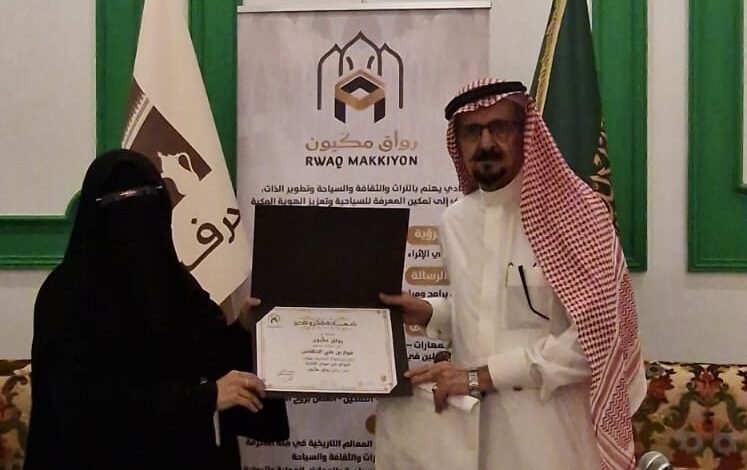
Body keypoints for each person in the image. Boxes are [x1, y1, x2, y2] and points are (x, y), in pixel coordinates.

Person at [379, 78, 646, 469]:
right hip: (474, 435)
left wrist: (484, 376)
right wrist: (431, 312)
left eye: (499, 127)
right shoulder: (455, 222)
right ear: (458, 142)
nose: (486, 142)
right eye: (472, 131)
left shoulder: (576, 215)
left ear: (525, 133)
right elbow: (491, 314)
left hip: (553, 435)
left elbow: (597, 339)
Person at [24, 149, 288, 470]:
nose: (137, 223)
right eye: (120, 204)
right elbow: (86, 404)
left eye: (150, 199)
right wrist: (203, 399)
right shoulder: (67, 294)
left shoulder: (173, 281)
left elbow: (208, 351)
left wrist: (243, 329)